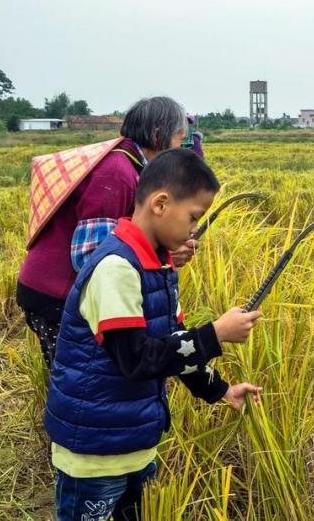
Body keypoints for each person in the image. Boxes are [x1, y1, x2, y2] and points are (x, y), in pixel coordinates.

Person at [45, 149, 263, 521]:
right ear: (160, 204)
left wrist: (220, 390)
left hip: (133, 445)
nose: (193, 230)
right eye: (193, 217)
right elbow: (138, 359)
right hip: (95, 457)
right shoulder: (116, 269)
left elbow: (173, 344)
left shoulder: (157, 267)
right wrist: (214, 335)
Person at [17, 97, 200, 367]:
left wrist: (165, 253)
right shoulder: (117, 173)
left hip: (67, 293)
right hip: (55, 295)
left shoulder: (132, 168)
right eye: (178, 141)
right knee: (79, 378)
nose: (179, 151)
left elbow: (125, 241)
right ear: (158, 136)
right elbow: (92, 258)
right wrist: (159, 257)